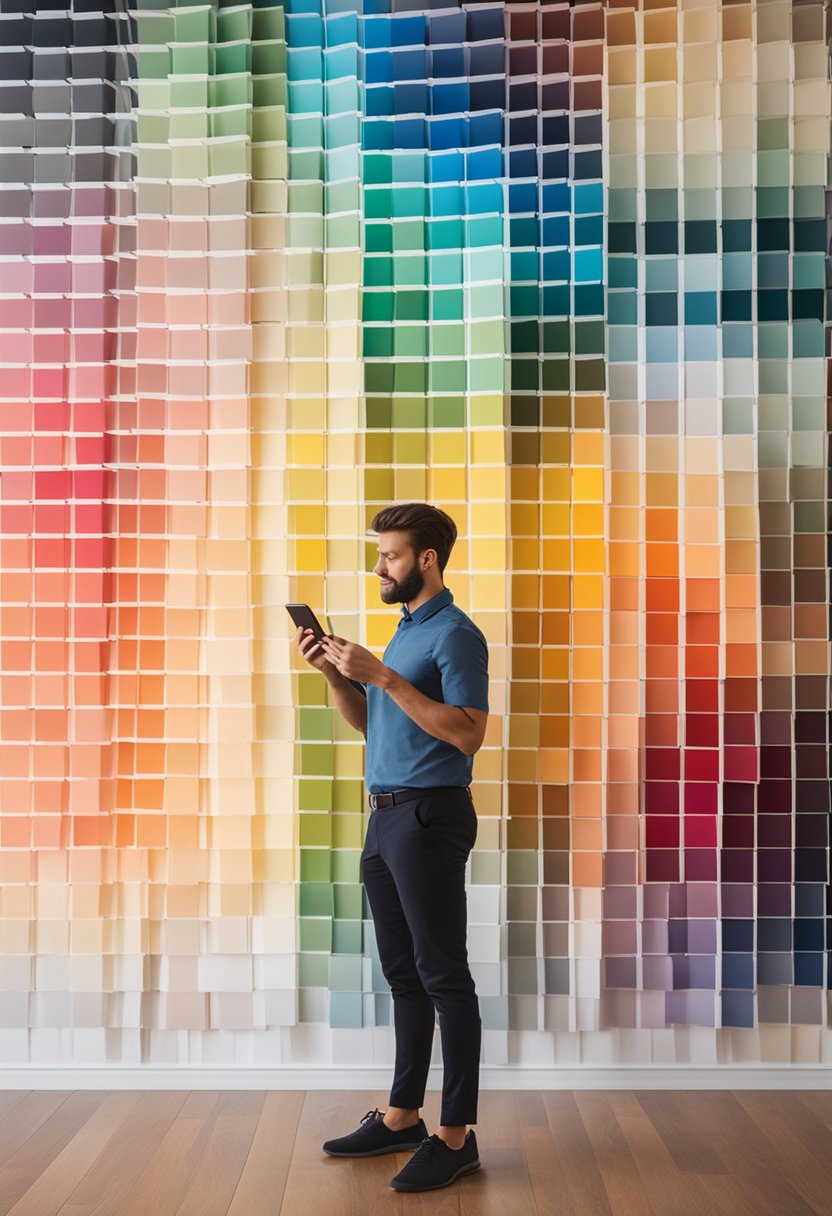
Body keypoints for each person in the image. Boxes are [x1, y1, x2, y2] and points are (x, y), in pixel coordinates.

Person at [293, 502, 489, 1193]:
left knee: (444, 976)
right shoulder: (403, 634)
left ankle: (455, 1136)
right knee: (404, 976)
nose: (380, 566)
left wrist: (382, 677)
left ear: (427, 560)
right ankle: (404, 1115)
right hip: (385, 819)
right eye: (380, 555)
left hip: (430, 817)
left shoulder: (455, 635)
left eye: (392, 555)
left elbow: (468, 733)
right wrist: (336, 674)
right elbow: (371, 726)